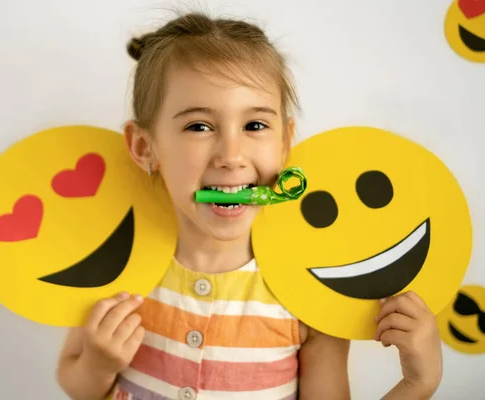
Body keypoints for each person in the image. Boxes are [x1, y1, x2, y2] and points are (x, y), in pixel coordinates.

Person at [55, 11, 443, 400]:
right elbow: (73, 379)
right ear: (145, 147)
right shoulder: (115, 268)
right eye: (199, 126)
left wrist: (417, 385)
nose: (231, 155)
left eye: (255, 125)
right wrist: (98, 364)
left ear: (285, 141)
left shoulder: (309, 291)